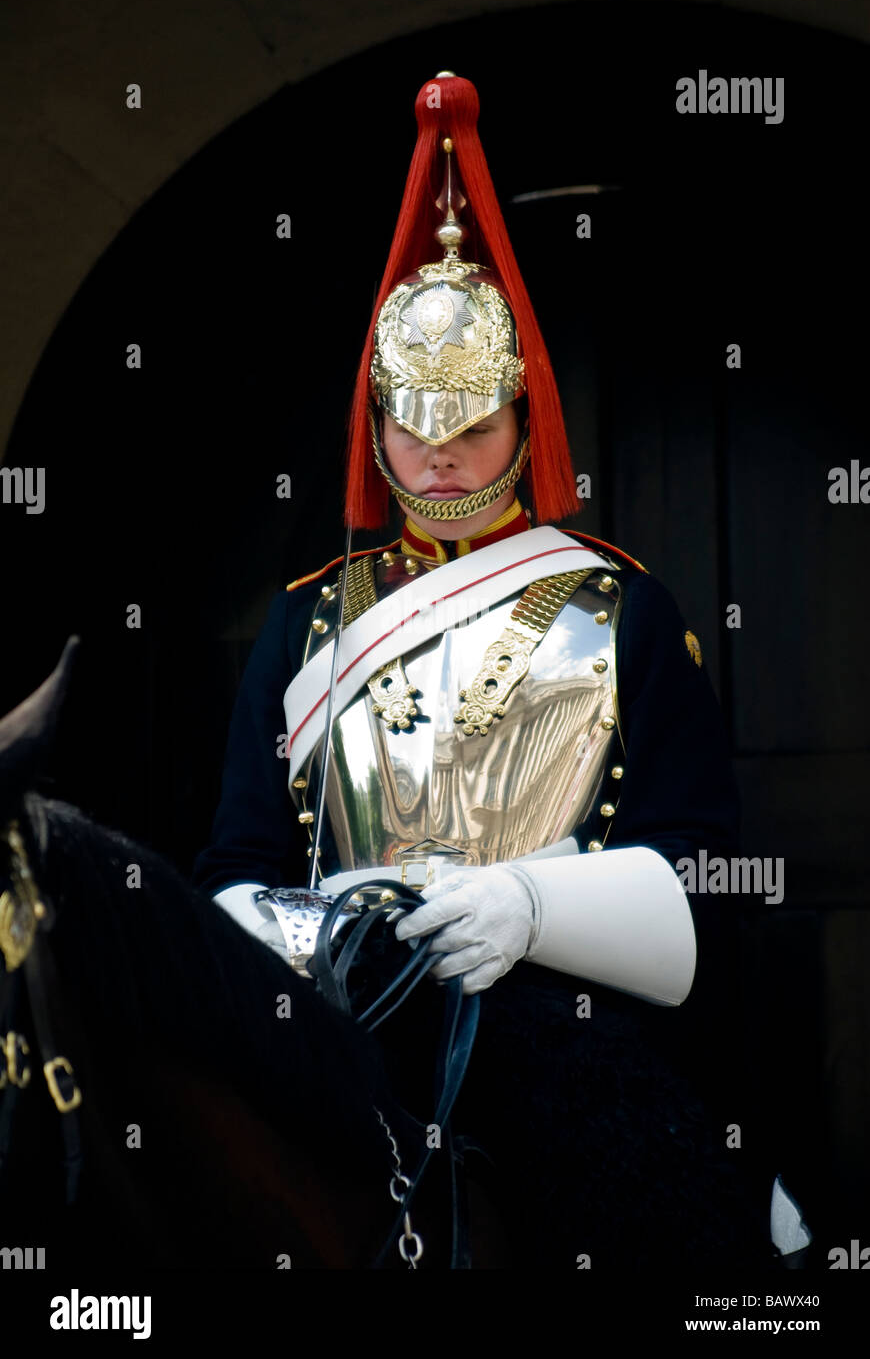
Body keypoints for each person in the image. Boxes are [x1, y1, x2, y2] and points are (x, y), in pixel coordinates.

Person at [194, 72, 779, 1269]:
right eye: (414, 422)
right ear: (374, 423)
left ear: (524, 417)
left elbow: (704, 879)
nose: (443, 456)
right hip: (352, 1061)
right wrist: (339, 928)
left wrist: (531, 909)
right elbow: (238, 872)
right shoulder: (304, 625)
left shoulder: (624, 609)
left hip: (567, 1058)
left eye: (472, 425)